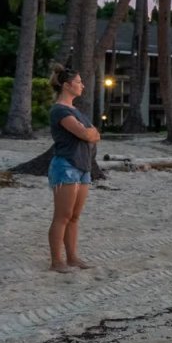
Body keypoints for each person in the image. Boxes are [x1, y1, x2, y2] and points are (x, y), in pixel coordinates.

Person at [47, 66, 100, 273]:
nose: (82, 85)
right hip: (66, 166)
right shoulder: (60, 110)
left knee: (75, 216)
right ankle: (56, 261)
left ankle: (72, 257)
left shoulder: (76, 111)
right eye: (78, 82)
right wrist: (90, 133)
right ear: (67, 85)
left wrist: (90, 133)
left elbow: (95, 134)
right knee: (63, 215)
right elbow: (87, 134)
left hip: (83, 166)